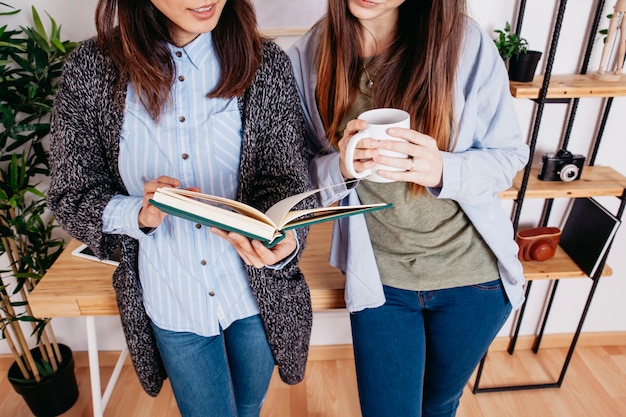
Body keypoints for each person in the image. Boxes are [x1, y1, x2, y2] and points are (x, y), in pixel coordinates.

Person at [48, 1, 314, 416]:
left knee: (249, 408)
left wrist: (284, 238)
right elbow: (71, 193)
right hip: (172, 297)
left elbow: (288, 179)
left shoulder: (265, 63)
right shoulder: (91, 70)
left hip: (254, 297)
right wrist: (139, 213)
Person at [288, 1, 529, 416]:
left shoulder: (463, 43)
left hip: (475, 280)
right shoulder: (309, 54)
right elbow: (293, 175)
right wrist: (341, 167)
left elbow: (508, 156)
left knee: (439, 405)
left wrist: (442, 169)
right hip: (382, 281)